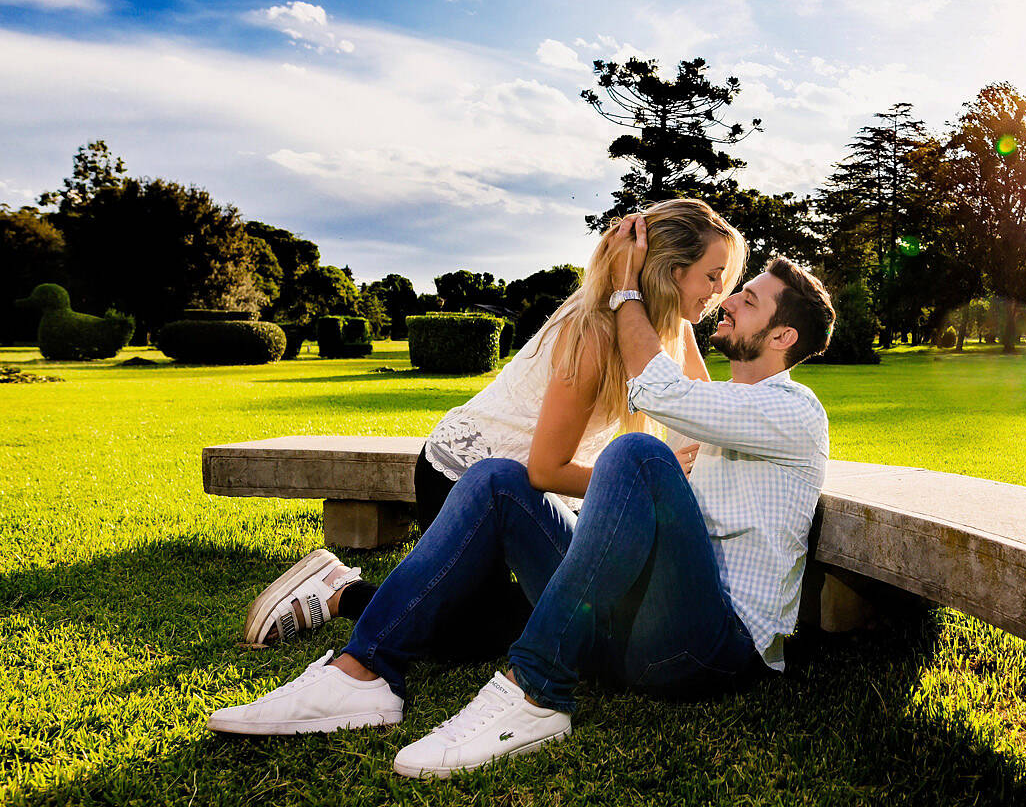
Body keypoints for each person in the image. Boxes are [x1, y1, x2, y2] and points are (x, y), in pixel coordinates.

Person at [207, 216, 837, 783]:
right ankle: (363, 672)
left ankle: (535, 692)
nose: (727, 297)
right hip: (635, 635)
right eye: (724, 284)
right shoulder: (718, 405)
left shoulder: (793, 411)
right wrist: (647, 288)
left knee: (636, 454)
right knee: (499, 479)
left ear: (782, 335)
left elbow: (663, 391)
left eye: (747, 298)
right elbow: (673, 387)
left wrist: (630, 288)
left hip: (709, 648)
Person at [241, 199, 746, 647]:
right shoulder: (592, 331)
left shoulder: (665, 328)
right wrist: (641, 484)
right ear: (671, 271)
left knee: (578, 615)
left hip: (537, 495)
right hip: (466, 479)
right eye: (713, 275)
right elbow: (546, 469)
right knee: (484, 633)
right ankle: (339, 590)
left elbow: (698, 415)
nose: (720, 292)